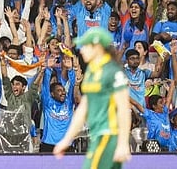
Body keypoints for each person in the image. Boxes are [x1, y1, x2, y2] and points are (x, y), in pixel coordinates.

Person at [53, 28, 132, 168]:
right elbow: (83, 108)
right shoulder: (90, 71)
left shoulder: (113, 72)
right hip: (98, 136)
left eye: (85, 46)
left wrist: (123, 143)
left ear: (97, 47)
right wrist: (67, 139)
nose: (81, 50)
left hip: (109, 136)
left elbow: (124, 108)